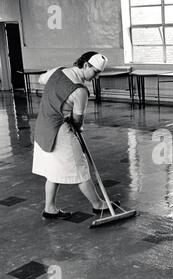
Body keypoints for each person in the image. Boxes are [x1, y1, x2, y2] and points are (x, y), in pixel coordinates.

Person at [32, 51, 118, 219]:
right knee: (80, 168)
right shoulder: (81, 92)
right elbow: (78, 121)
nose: (96, 77)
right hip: (59, 131)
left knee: (53, 171)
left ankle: (49, 208)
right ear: (85, 65)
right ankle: (98, 205)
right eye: (95, 72)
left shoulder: (58, 71)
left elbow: (42, 79)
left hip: (42, 127)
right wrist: (76, 126)